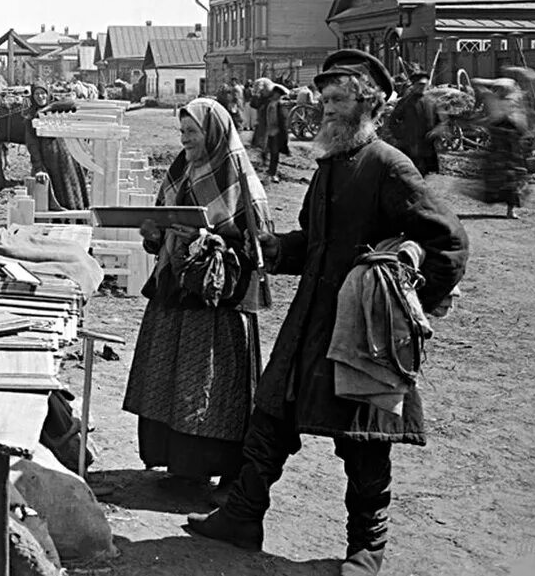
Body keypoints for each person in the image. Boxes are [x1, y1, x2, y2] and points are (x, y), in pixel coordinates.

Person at [186, 49, 468, 576]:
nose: (326, 111)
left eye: (339, 101)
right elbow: (313, 244)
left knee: (363, 441)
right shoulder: (330, 166)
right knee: (271, 417)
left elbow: (448, 242)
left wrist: (410, 307)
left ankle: (367, 550)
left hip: (363, 331)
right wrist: (265, 248)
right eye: (326, 100)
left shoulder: (388, 165)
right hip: (312, 319)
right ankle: (243, 517)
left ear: (369, 104)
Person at [122, 99, 272, 501]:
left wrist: (214, 242)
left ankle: (215, 466)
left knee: (211, 380)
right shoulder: (178, 168)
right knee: (170, 374)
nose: (185, 140)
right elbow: (160, 225)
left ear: (215, 133)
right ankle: (181, 466)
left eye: (193, 132)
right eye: (182, 132)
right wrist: (154, 233)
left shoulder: (238, 175)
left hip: (216, 299)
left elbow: (261, 246)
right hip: (176, 289)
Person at [24, 81, 90, 211]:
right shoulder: (30, 117)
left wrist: (47, 108)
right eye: (37, 94)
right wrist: (38, 168)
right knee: (55, 191)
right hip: (49, 160)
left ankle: (76, 215)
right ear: (32, 96)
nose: (40, 97)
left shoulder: (56, 107)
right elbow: (32, 145)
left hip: (66, 156)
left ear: (48, 94)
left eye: (43, 93)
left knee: (72, 187)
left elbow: (73, 103)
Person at [471, 77, 531, 218]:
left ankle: (511, 210)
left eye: (506, 88)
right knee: (499, 176)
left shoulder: (514, 99)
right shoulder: (492, 99)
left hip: (513, 145)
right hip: (500, 145)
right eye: (501, 88)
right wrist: (492, 82)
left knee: (513, 177)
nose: (503, 91)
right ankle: (506, 206)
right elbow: (476, 81)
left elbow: (521, 118)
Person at [386, 71, 439, 176]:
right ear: (414, 85)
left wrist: (436, 131)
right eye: (419, 85)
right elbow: (393, 121)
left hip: (427, 143)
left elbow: (438, 119)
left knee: (427, 171)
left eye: (425, 84)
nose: (422, 87)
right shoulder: (406, 102)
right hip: (411, 143)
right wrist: (401, 134)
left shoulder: (432, 101)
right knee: (411, 171)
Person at [259, 83, 290, 183]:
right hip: (272, 131)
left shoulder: (275, 104)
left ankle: (271, 172)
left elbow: (280, 121)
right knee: (272, 152)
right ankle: (270, 172)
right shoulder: (273, 104)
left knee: (273, 153)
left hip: (273, 132)